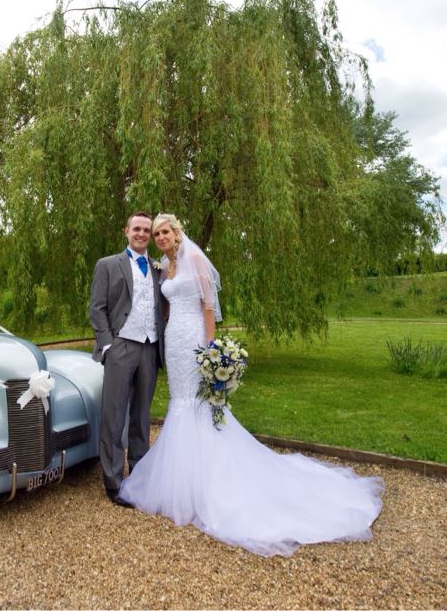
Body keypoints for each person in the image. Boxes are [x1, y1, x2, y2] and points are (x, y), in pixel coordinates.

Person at [118, 213, 384, 556]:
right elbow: (165, 305)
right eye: (156, 234)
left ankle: (210, 484)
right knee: (181, 400)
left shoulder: (194, 257)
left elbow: (208, 304)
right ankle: (186, 483)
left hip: (196, 338)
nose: (160, 237)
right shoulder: (165, 267)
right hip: (174, 340)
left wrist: (210, 350)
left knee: (198, 403)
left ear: (176, 231)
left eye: (164, 232)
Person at [89, 211, 165, 507]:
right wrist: (107, 345)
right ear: (126, 231)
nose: (143, 234)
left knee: (142, 415)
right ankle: (113, 481)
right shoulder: (108, 265)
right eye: (138, 229)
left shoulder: (159, 268)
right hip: (121, 346)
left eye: (147, 230)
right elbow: (97, 308)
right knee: (114, 415)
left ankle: (139, 474)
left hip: (150, 346)